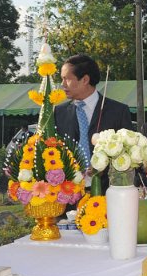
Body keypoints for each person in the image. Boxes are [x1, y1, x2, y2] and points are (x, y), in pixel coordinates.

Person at [54, 54, 133, 189]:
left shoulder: (118, 111)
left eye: (66, 79)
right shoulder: (58, 113)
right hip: (67, 193)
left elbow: (128, 154)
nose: (62, 85)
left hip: (107, 192)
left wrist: (105, 165)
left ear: (85, 79)